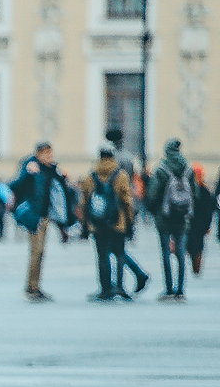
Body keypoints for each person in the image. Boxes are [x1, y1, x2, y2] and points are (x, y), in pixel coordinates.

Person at [77, 143, 136, 302]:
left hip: (97, 224)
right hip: (118, 223)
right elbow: (127, 201)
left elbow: (84, 203)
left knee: (102, 256)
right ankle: (120, 287)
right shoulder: (121, 175)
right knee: (120, 254)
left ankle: (105, 289)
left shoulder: (91, 176)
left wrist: (84, 226)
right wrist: (130, 223)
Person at [9, 141, 66, 302]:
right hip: (34, 215)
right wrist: (28, 173)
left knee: (40, 252)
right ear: (38, 154)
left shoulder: (51, 169)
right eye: (46, 154)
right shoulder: (29, 166)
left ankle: (35, 286)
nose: (49, 157)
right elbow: (15, 185)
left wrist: (62, 176)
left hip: (46, 215)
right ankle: (30, 287)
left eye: (50, 154)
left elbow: (59, 189)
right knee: (36, 251)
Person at [145, 138, 193, 301]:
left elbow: (153, 194)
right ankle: (180, 289)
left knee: (166, 253)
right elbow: (195, 193)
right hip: (183, 217)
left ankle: (169, 288)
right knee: (181, 253)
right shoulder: (188, 169)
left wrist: (153, 211)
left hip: (164, 217)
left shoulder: (161, 169)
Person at [105, 128, 150, 293]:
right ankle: (124, 281)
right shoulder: (128, 157)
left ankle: (122, 282)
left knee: (113, 247)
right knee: (118, 246)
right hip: (127, 205)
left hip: (114, 206)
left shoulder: (112, 158)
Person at [186, 163, 215, 276]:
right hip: (201, 223)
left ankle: (195, 259)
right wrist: (208, 225)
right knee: (198, 244)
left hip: (192, 222)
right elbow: (209, 210)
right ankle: (196, 260)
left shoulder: (189, 189)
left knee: (192, 244)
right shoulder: (205, 190)